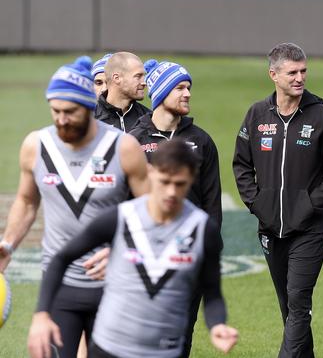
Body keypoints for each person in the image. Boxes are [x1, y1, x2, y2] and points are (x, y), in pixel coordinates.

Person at [27, 139, 238, 358]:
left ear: (192, 179)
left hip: (165, 352)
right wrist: (41, 314)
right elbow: (61, 258)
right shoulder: (121, 217)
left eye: (180, 183)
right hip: (109, 349)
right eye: (164, 181)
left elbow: (212, 293)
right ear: (150, 172)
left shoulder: (204, 230)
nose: (171, 192)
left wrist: (217, 325)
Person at [0, 56, 149, 358]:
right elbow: (27, 202)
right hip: (60, 286)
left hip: (114, 286)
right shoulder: (36, 146)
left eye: (70, 112)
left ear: (88, 108)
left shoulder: (124, 148)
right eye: (55, 111)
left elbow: (153, 211)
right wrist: (8, 243)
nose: (61, 119)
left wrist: (124, 247)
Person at [233, 42, 323, 357]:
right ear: (273, 74)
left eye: (303, 71)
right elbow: (241, 165)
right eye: (292, 72)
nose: (300, 78)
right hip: (270, 228)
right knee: (289, 307)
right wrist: (257, 203)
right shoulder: (256, 115)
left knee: (299, 302)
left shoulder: (322, 116)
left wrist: (309, 206)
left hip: (309, 230)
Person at [129, 59, 222, 358]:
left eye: (189, 88)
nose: (187, 94)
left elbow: (211, 203)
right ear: (160, 93)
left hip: (186, 255)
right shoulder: (133, 141)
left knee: (181, 336)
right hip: (144, 256)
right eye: (179, 88)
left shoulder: (201, 142)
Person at [95, 52, 151, 132]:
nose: (144, 82)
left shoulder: (149, 118)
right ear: (117, 78)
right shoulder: (89, 120)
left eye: (143, 76)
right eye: (138, 76)